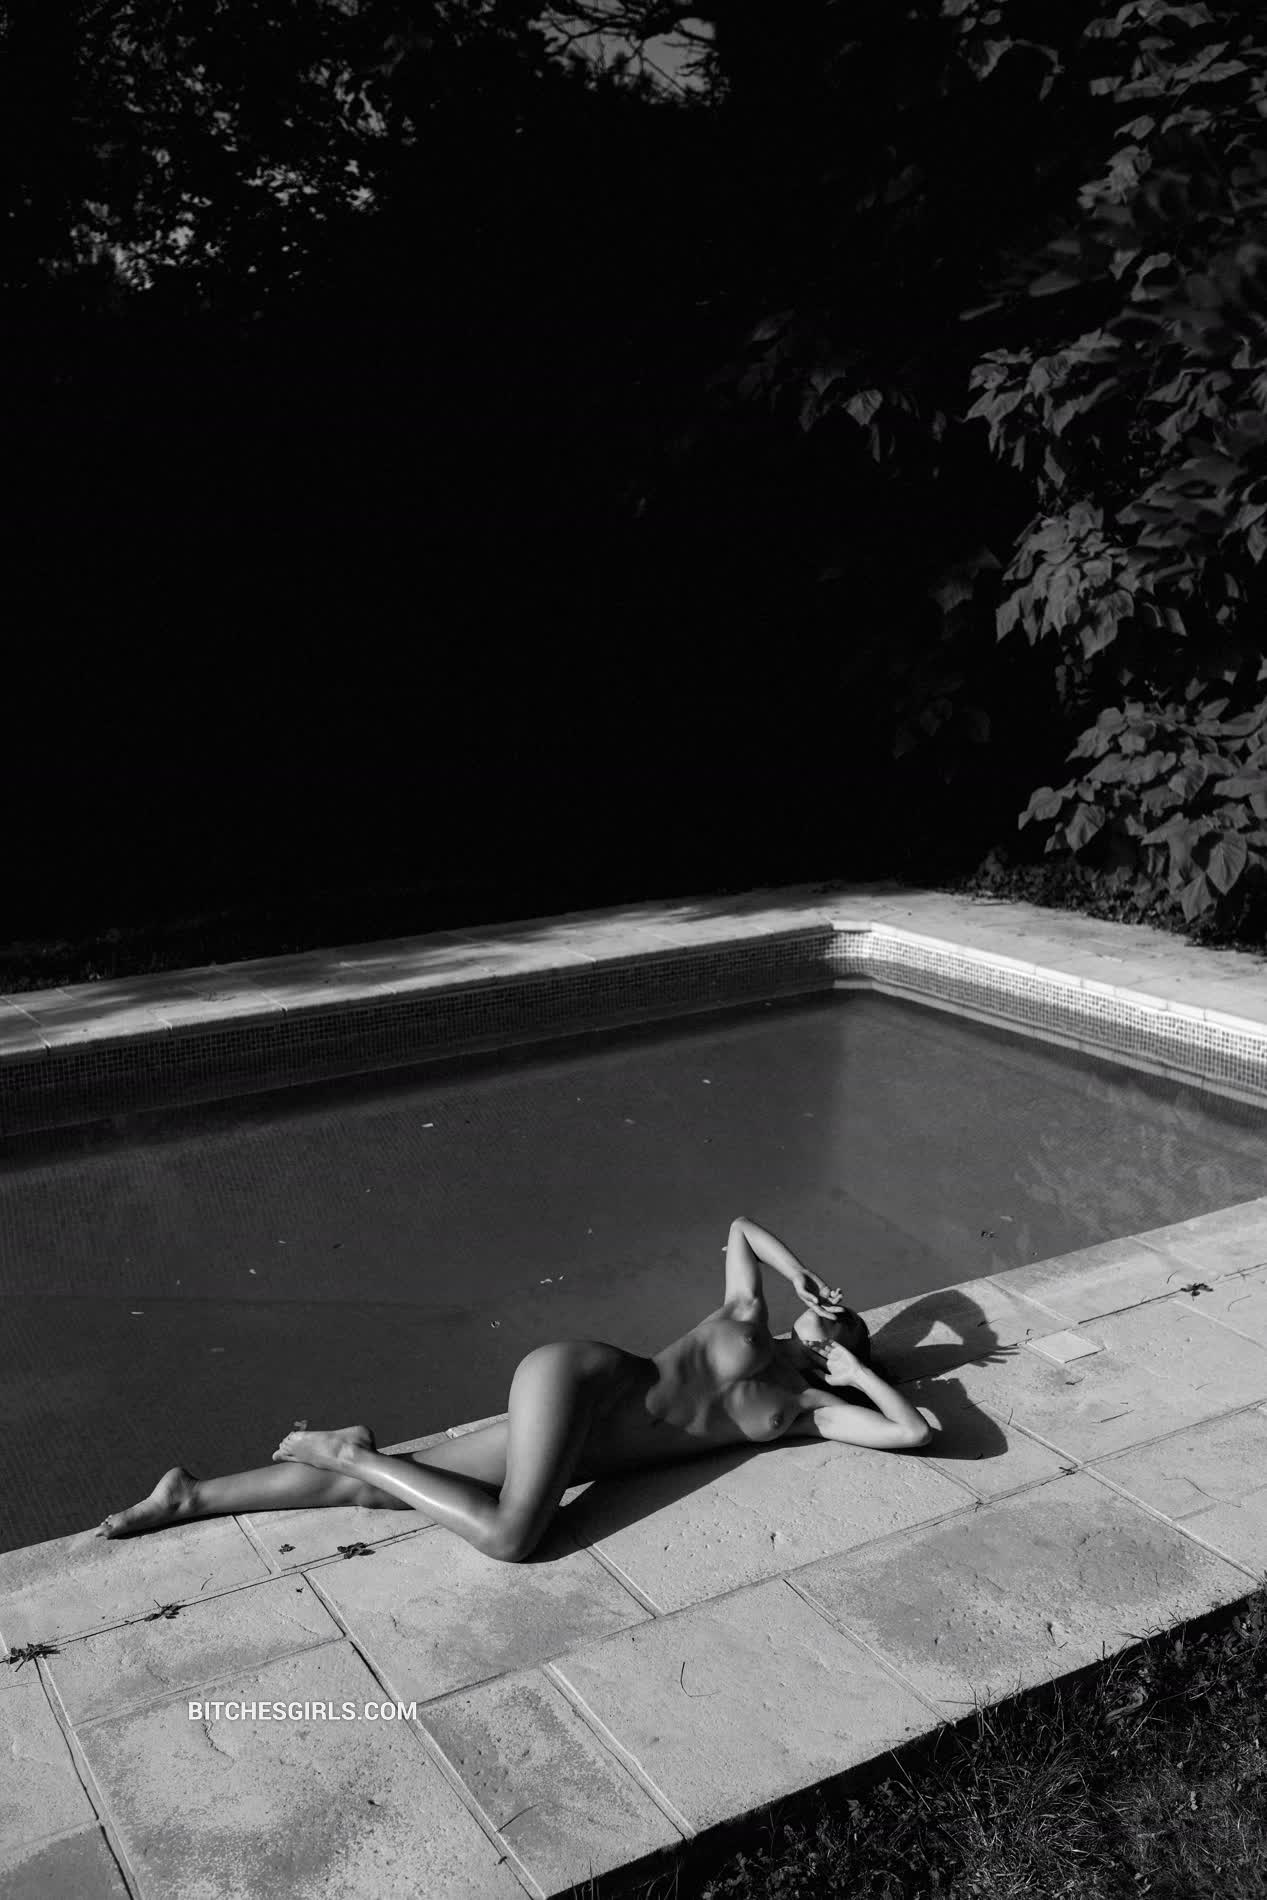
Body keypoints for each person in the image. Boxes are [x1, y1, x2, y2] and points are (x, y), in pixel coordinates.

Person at [96, 1216, 931, 1560]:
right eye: (830, 1308)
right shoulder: (748, 1316)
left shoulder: (808, 1412)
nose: (832, 1314)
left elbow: (914, 1432)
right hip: (579, 1378)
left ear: (842, 1357)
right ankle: (353, 1452)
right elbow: (741, 1228)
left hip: (570, 1438)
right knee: (511, 1539)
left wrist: (858, 1375)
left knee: (393, 1493)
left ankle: (191, 1495)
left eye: (845, 1325)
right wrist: (801, 1272)